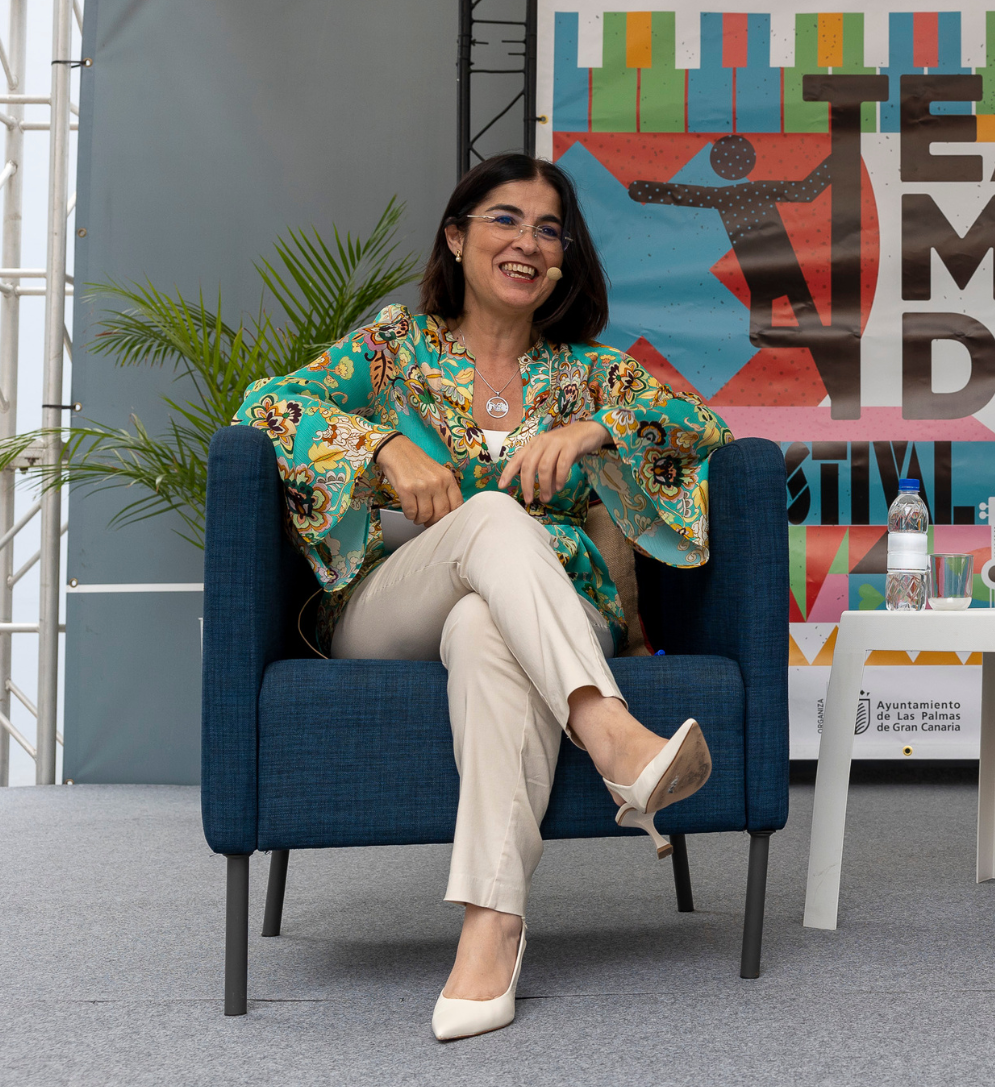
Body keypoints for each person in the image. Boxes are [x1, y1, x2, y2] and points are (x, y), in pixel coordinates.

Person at [235, 152, 735, 1041]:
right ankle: (612, 734)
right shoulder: (394, 349)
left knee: (484, 626)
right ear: (458, 238)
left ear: (565, 257)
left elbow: (705, 430)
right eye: (506, 220)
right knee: (493, 518)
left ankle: (489, 930)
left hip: (550, 608)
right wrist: (383, 446)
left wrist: (594, 430)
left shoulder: (590, 373)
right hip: (395, 602)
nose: (530, 244)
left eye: (550, 229)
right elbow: (269, 408)